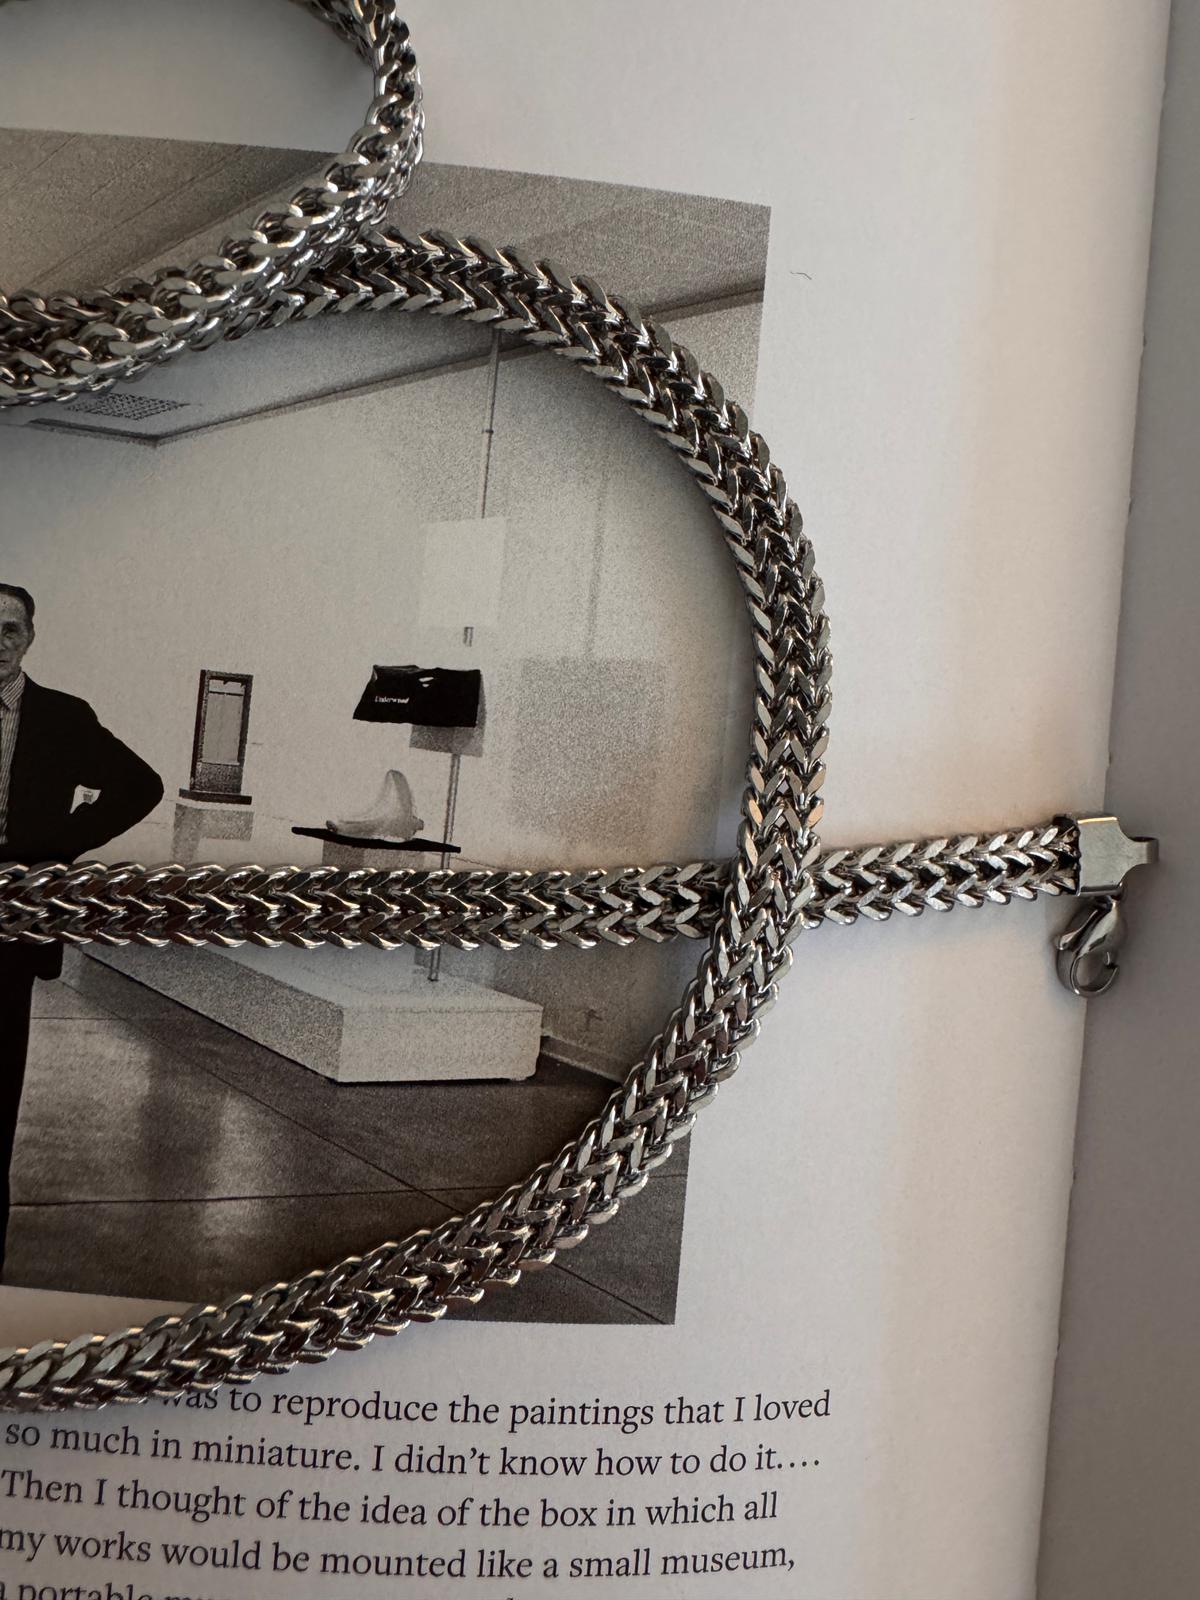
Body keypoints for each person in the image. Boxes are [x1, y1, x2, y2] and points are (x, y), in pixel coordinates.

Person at [0, 583, 164, 1276]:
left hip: (13, 924)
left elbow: (141, 784)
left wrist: (57, 847)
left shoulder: (62, 717)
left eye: (10, 629)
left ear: (30, 638)